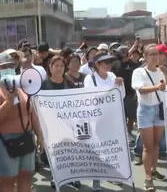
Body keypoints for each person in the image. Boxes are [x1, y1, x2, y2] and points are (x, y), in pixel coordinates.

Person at [0, 52, 44, 192]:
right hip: (6, 142)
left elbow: (32, 114)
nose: (9, 68)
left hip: (26, 139)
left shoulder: (22, 88)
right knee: (7, 180)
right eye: (4, 66)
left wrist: (40, 135)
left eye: (11, 65)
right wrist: (8, 102)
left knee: (26, 177)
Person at [131, 44, 167, 192]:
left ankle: (154, 170)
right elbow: (141, 89)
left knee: (156, 144)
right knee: (148, 146)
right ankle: (148, 177)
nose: (155, 57)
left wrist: (166, 73)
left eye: (157, 54)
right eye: (152, 54)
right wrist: (156, 88)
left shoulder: (161, 71)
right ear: (146, 56)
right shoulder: (139, 72)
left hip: (159, 109)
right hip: (146, 110)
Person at [83, 52, 124, 191]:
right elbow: (93, 97)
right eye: (104, 62)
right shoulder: (90, 78)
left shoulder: (112, 76)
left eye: (109, 62)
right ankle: (96, 179)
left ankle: (111, 174)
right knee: (97, 149)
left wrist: (119, 85)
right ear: (97, 64)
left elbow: (121, 95)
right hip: (96, 119)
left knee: (110, 147)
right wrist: (113, 87)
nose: (108, 65)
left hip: (112, 117)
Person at [40, 56, 80, 189]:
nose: (59, 68)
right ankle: (56, 177)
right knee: (56, 152)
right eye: (56, 65)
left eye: (61, 66)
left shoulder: (69, 82)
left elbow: (76, 101)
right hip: (51, 124)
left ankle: (72, 176)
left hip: (68, 122)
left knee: (70, 151)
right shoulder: (43, 84)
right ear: (50, 67)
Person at [112, 46, 139, 142]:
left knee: (131, 116)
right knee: (120, 115)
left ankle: (128, 132)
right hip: (118, 94)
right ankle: (121, 133)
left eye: (119, 53)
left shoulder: (133, 65)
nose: (117, 55)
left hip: (130, 94)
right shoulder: (115, 64)